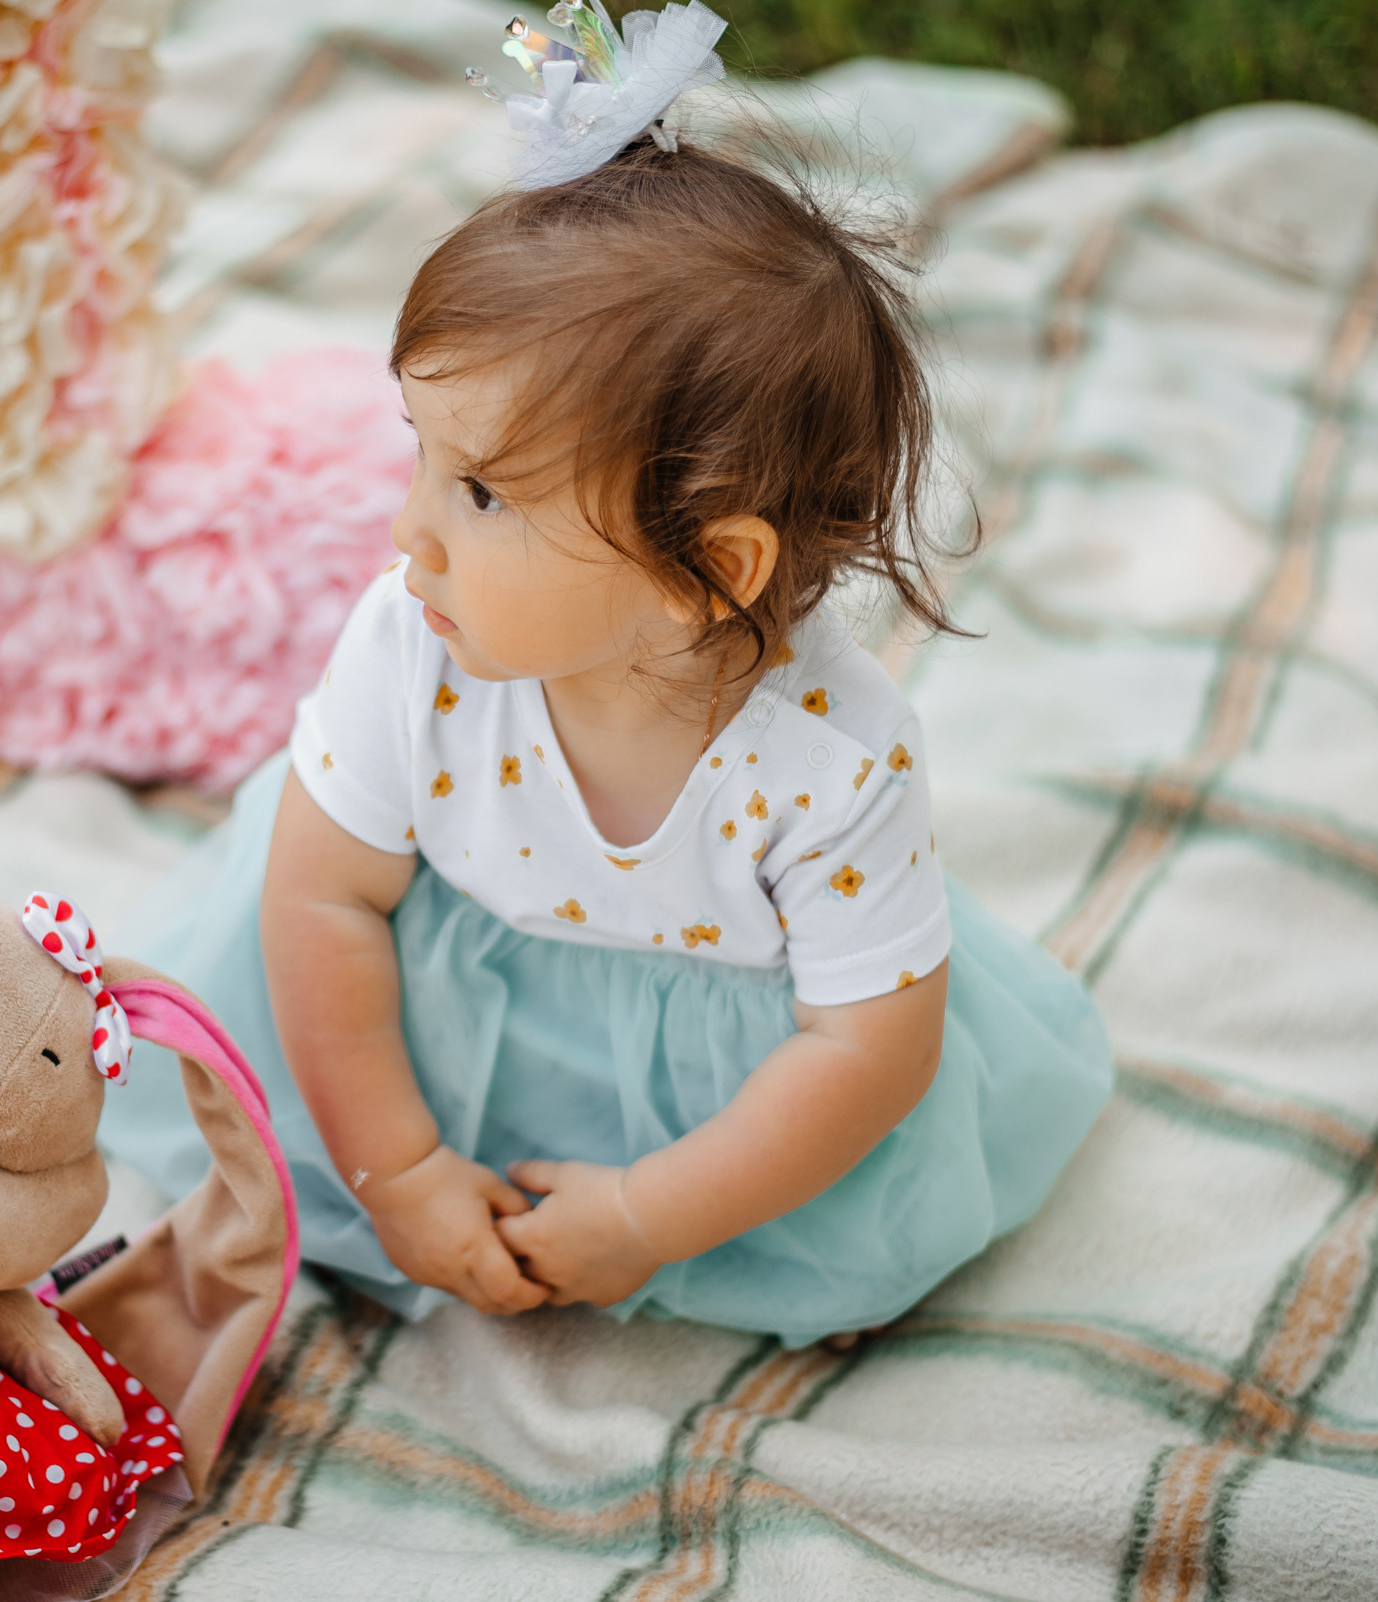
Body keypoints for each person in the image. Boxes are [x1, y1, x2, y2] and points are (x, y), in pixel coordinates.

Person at [100, 24, 1113, 1351]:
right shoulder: (412, 644)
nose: (411, 531)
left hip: (714, 1129)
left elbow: (866, 1054)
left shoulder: (834, 760)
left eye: (481, 491)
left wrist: (648, 1213)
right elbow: (320, 898)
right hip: (396, 1040)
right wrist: (398, 1171)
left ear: (707, 571)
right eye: (423, 454)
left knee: (859, 1230)